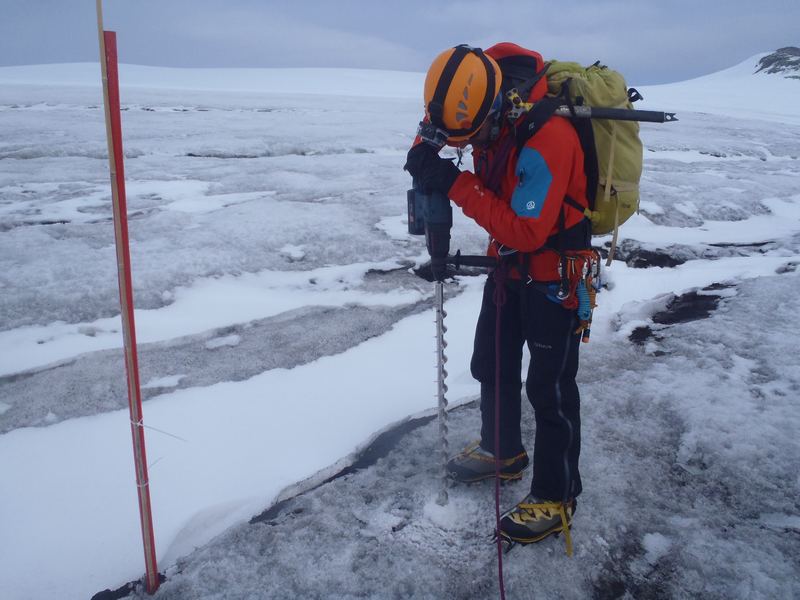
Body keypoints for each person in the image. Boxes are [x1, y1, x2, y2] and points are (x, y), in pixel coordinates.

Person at [404, 43, 592, 547]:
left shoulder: (549, 138)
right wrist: (425, 153)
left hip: (555, 277)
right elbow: (437, 128)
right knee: (492, 361)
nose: (470, 146)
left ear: (499, 108)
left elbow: (528, 230)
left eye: (473, 138)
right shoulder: (470, 98)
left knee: (549, 390)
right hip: (508, 267)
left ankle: (558, 495)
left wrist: (455, 183)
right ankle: (503, 450)